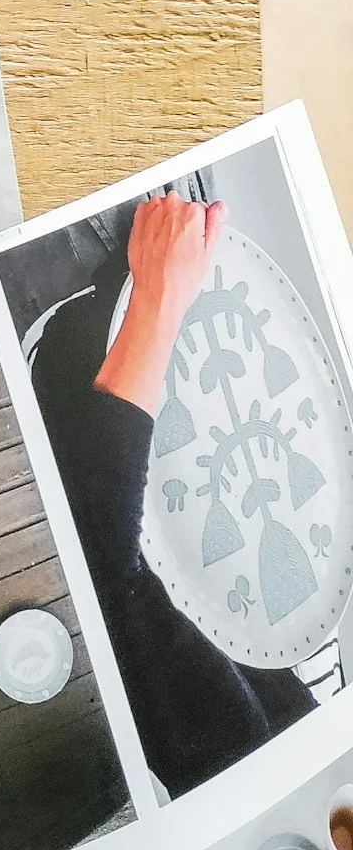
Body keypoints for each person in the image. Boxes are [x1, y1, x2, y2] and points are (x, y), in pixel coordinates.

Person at [26, 192, 317, 797]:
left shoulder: (255, 780)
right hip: (167, 289)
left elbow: (101, 584)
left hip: (102, 329)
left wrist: (158, 296)